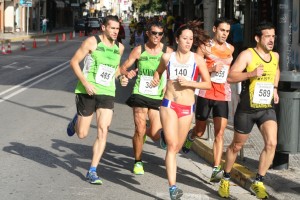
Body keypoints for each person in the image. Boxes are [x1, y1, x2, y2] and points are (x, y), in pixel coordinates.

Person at [218, 21, 280, 199]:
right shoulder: (248, 55)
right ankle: (226, 178)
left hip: (266, 107)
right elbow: (230, 77)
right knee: (236, 146)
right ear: (257, 38)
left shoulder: (275, 55)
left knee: (272, 143)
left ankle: (258, 181)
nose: (271, 40)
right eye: (267, 36)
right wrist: (251, 74)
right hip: (248, 109)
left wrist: (274, 89)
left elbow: (276, 70)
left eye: (273, 36)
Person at [151, 23, 211, 200]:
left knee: (177, 146)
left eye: (191, 39)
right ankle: (173, 188)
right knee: (171, 145)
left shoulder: (197, 60)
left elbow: (207, 83)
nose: (188, 41)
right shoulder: (167, 57)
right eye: (185, 38)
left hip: (187, 108)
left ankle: (163, 134)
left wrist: (190, 83)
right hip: (169, 104)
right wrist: (156, 80)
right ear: (177, 39)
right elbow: (158, 72)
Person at [67, 15, 125, 185]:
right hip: (88, 91)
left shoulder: (119, 48)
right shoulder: (92, 42)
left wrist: (121, 78)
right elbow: (74, 62)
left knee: (103, 129)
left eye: (117, 28)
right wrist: (85, 83)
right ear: (104, 28)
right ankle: (76, 120)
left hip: (107, 92)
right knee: (82, 134)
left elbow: (115, 71)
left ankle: (92, 170)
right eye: (112, 28)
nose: (115, 31)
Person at [182, 18, 234, 183]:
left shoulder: (231, 48)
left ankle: (216, 168)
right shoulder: (204, 47)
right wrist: (211, 68)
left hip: (222, 94)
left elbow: (229, 70)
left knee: (220, 133)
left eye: (227, 31)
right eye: (222, 30)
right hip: (205, 92)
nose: (224, 34)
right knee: (199, 131)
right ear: (214, 29)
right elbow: (194, 67)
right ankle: (191, 137)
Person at [120, 21, 173, 175]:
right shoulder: (139, 50)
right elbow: (124, 67)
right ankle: (138, 161)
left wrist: (167, 85)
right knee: (140, 128)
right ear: (148, 33)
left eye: (160, 34)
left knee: (156, 134)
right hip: (140, 93)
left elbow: (173, 72)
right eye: (154, 33)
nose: (157, 36)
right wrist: (127, 74)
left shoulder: (167, 51)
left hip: (158, 95)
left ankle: (140, 136)